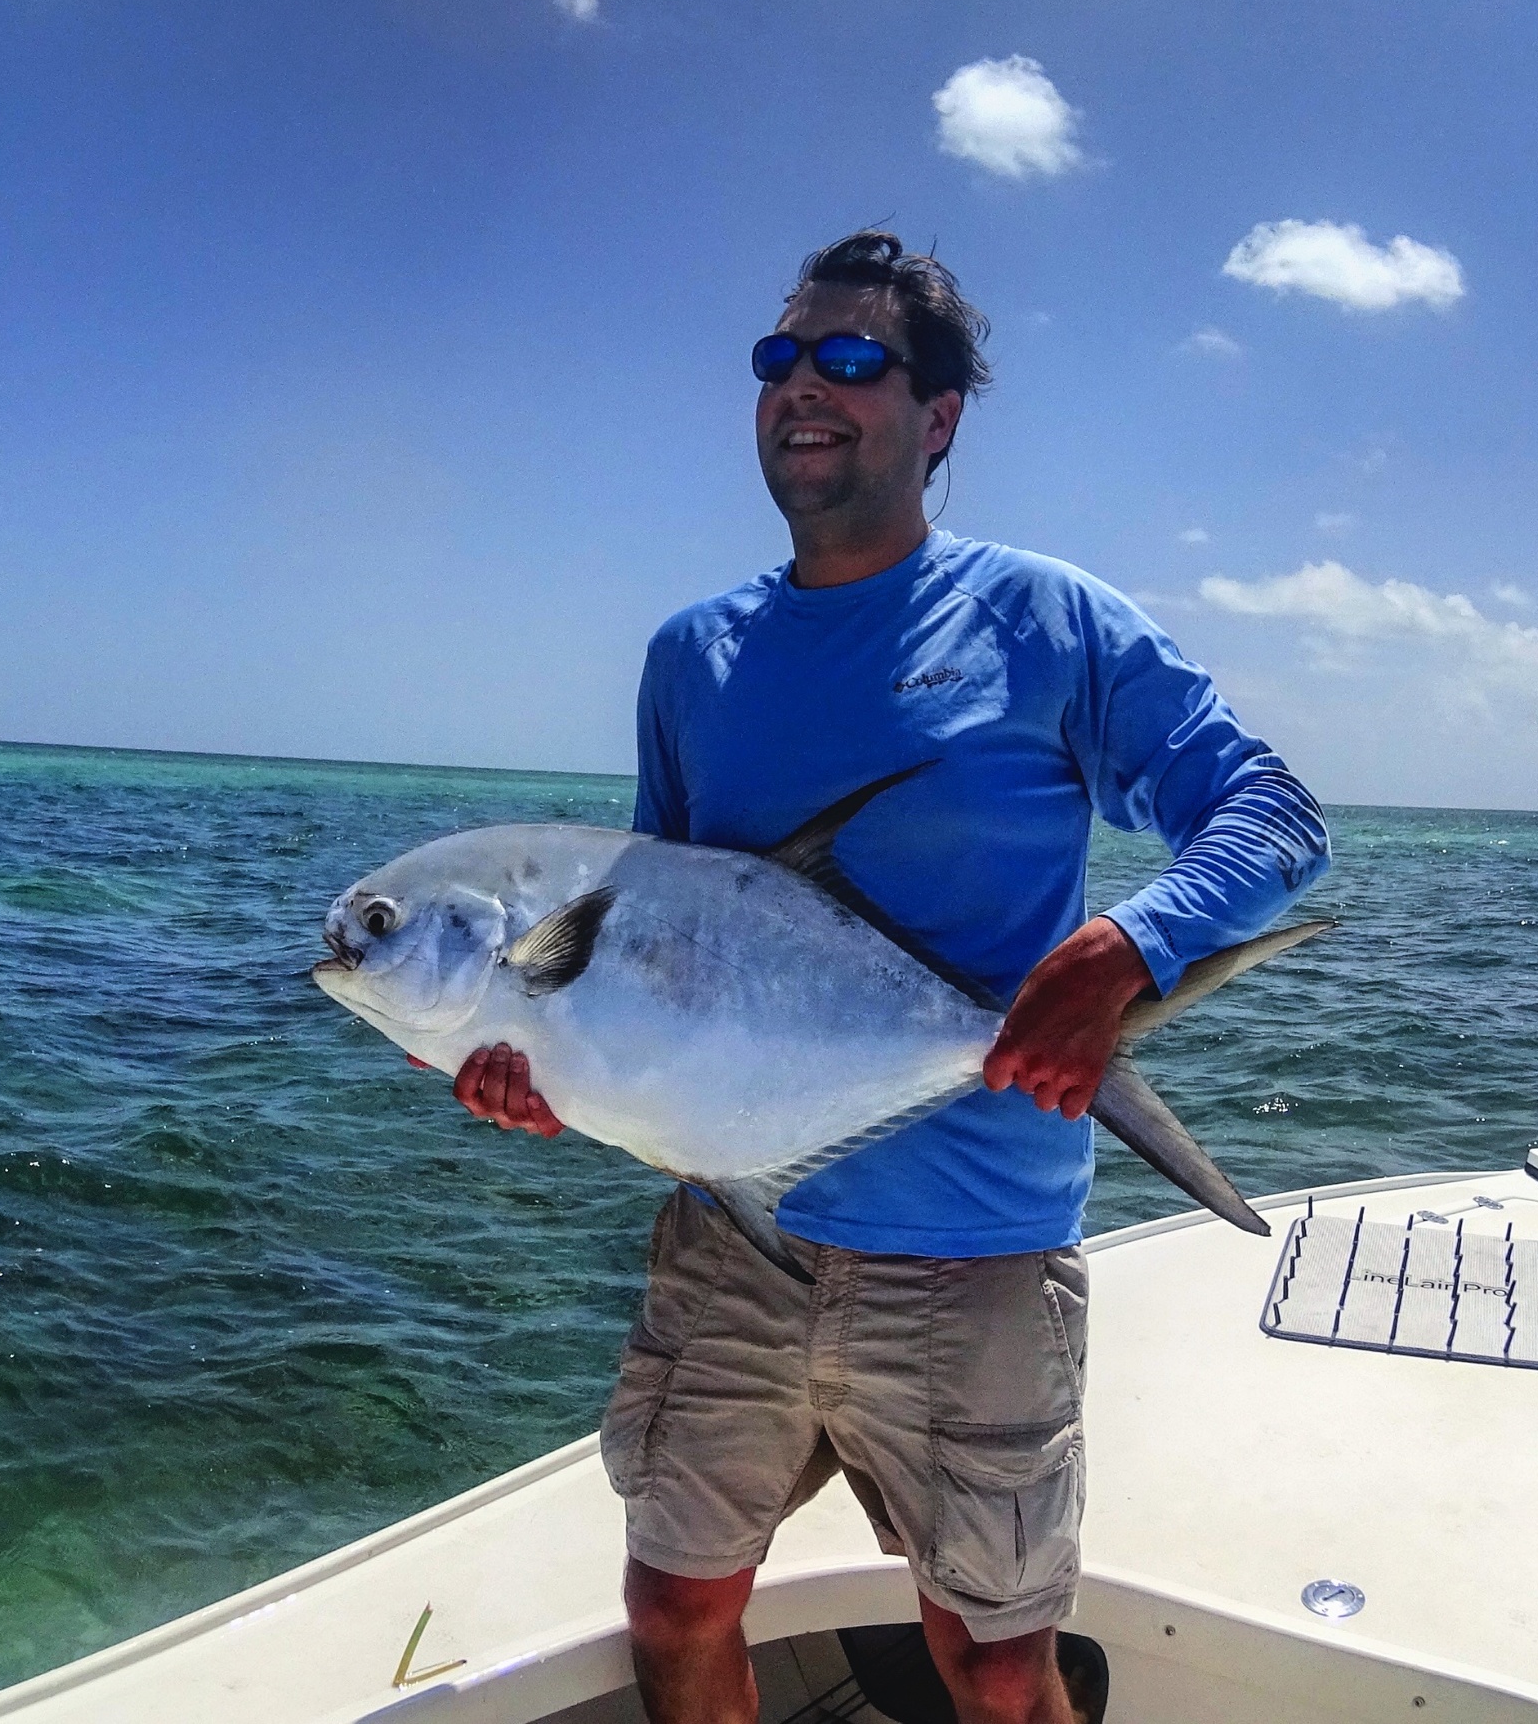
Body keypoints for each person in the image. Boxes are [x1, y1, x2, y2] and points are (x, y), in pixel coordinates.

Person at [446, 231, 1329, 1724]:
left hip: (973, 1248)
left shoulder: (1047, 621)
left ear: (940, 417)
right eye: (779, 358)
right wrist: (559, 1074)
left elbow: (1271, 814)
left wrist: (1129, 948)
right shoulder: (691, 658)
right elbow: (669, 952)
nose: (805, 385)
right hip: (738, 1231)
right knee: (672, 1608)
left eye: (852, 358)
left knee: (991, 1663)